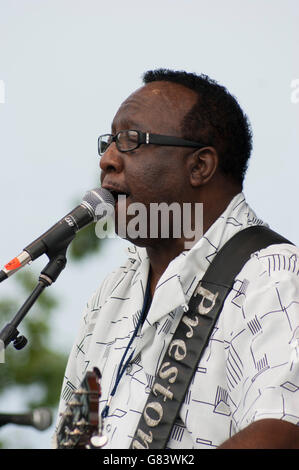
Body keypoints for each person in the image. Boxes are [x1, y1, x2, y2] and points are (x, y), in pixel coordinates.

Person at [54, 69, 299, 449]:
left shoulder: (275, 277)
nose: (107, 160)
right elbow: (71, 436)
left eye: (131, 141)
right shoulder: (111, 293)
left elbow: (283, 434)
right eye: (109, 142)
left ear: (200, 166)